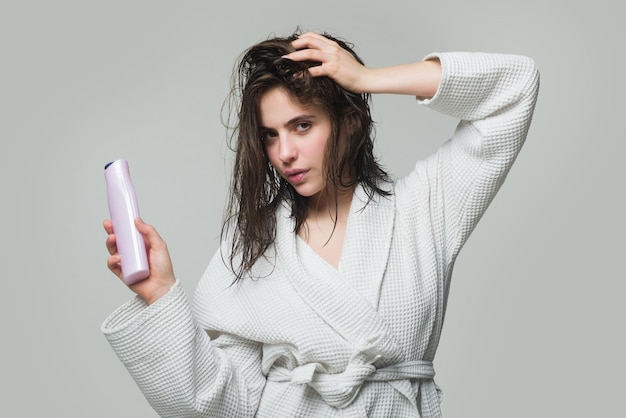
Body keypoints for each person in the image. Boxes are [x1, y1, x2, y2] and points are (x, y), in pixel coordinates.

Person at [102, 31, 539, 417]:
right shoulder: (251, 245)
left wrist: (367, 79)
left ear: (349, 122)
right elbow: (220, 404)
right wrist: (159, 293)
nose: (284, 152)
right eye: (270, 134)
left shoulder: (424, 208)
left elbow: (514, 87)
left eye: (302, 125)